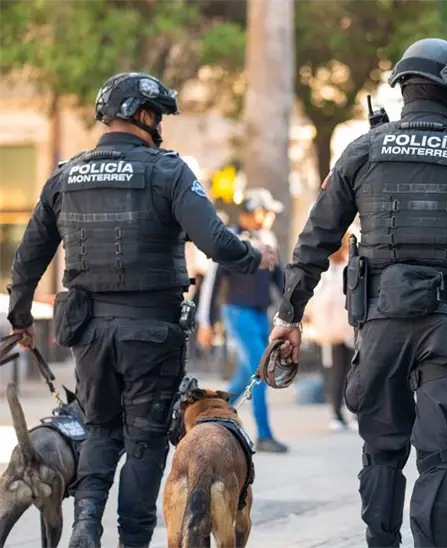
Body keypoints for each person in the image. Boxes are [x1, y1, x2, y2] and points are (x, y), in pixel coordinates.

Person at [264, 38, 447, 548]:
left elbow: (315, 240)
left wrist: (289, 313)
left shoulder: (363, 151)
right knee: (440, 455)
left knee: (382, 450)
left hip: (381, 323)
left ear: (402, 89)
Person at [5, 72, 276, 548]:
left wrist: (21, 319)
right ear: (143, 115)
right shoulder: (168, 172)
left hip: (88, 333)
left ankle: (86, 524)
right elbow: (215, 242)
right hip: (152, 332)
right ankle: (133, 540)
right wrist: (257, 257)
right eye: (158, 117)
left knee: (100, 429)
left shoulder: (65, 175)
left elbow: (29, 256)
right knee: (145, 441)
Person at [196, 188, 289, 453]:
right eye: (267, 211)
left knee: (245, 377)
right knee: (262, 369)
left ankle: (212, 416)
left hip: (260, 315)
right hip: (236, 313)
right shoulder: (231, 239)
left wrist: (296, 310)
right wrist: (205, 322)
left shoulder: (268, 239)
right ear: (254, 212)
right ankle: (264, 434)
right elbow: (212, 283)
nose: (271, 216)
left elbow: (279, 281)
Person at [303, 231, 357, 431]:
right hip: (332, 331)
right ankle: (337, 414)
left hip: (348, 330)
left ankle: (352, 414)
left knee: (351, 373)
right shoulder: (326, 272)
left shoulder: (347, 268)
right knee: (338, 373)